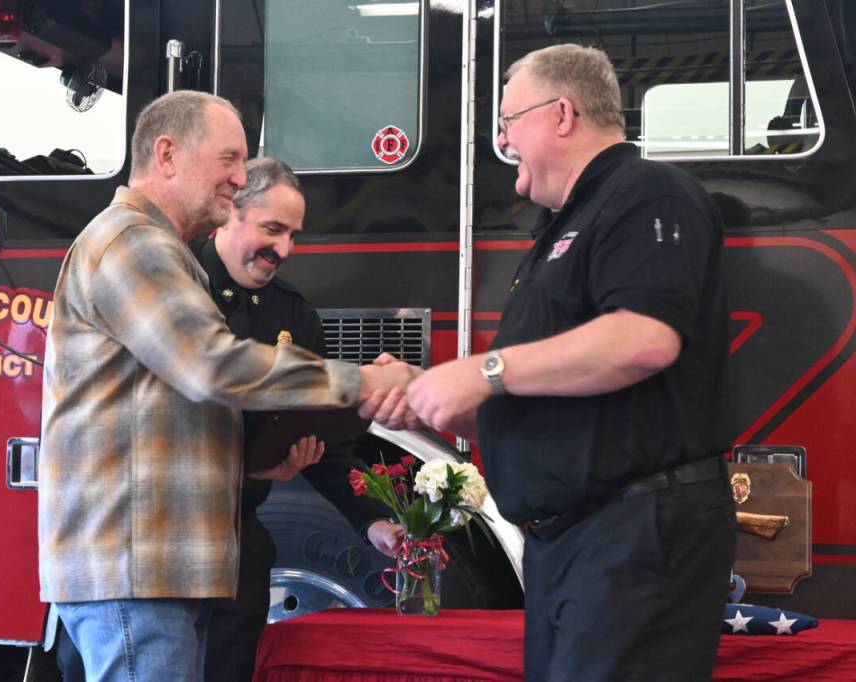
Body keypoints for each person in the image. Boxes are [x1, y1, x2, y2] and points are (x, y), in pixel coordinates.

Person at [369, 44, 736, 681]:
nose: (502, 140)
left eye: (509, 121)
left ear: (562, 113)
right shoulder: (557, 229)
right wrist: (433, 394)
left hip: (633, 537)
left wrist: (483, 371)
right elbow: (549, 398)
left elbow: (644, 341)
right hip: (572, 546)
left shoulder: (647, 193)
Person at [38, 91, 410, 682]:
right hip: (139, 572)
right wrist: (362, 380)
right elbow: (211, 366)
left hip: (158, 571)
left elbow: (166, 413)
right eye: (229, 159)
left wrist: (255, 465)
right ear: (166, 154)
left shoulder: (156, 250)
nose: (240, 178)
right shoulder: (133, 243)